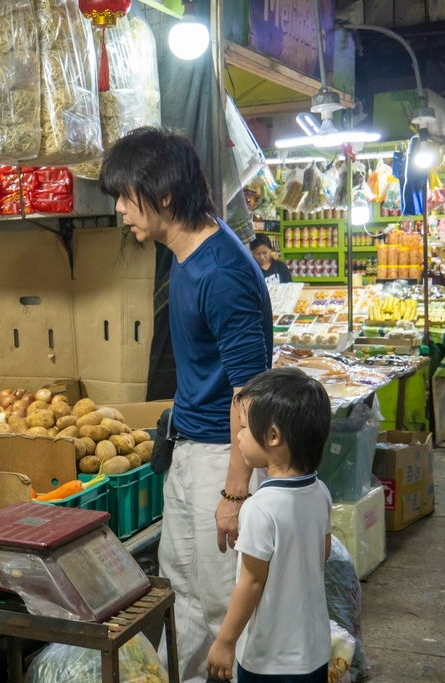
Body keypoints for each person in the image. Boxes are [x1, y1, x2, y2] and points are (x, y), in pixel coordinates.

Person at [100, 127, 272, 683]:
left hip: (222, 458)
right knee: (184, 589)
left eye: (127, 196)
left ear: (165, 195)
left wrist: (233, 491)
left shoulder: (221, 273)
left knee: (225, 600)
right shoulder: (185, 252)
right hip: (189, 449)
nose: (121, 210)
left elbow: (251, 391)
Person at [207, 367, 333, 683]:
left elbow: (250, 583)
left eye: (245, 428)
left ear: (273, 436)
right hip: (313, 650)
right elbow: (324, 553)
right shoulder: (321, 492)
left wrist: (225, 641)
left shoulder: (260, 508)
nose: (238, 436)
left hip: (270, 660)